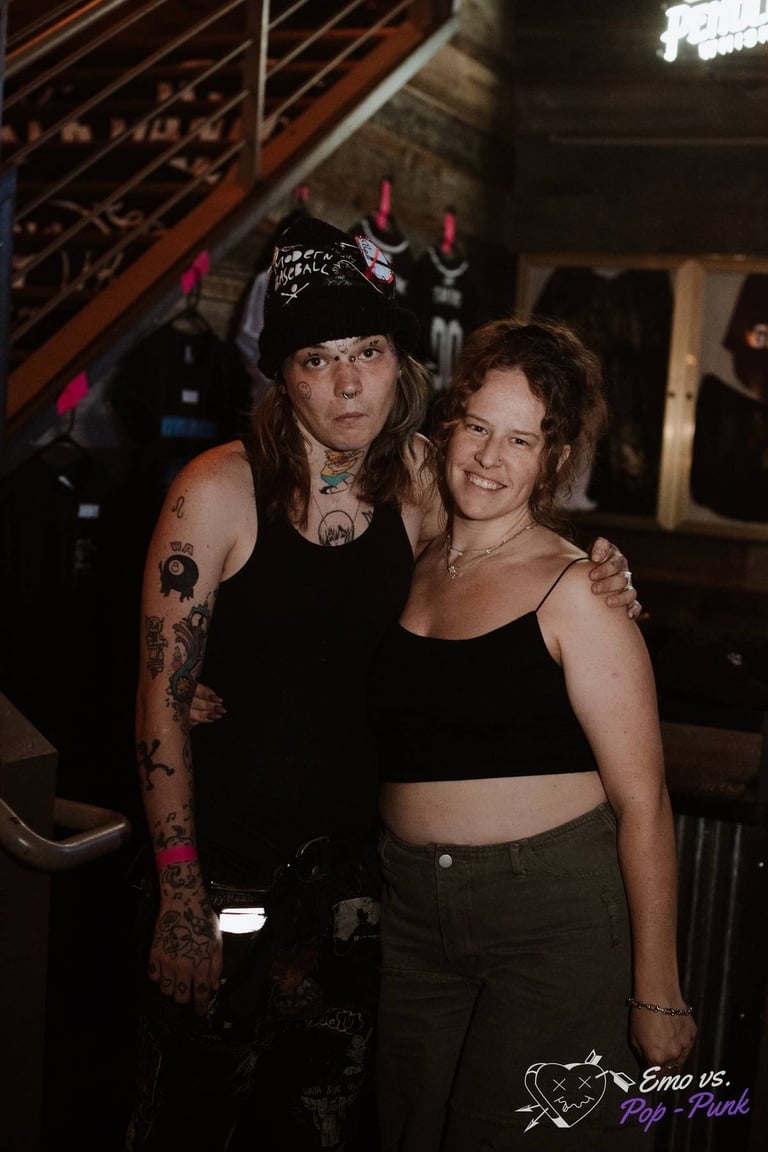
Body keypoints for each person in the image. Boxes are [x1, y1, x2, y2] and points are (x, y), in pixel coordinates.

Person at [124, 217, 640, 1151]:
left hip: (366, 895)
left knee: (324, 1133)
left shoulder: (420, 480)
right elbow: (160, 694)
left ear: (399, 360)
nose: (349, 382)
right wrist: (179, 896)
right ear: (282, 374)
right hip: (227, 876)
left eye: (366, 351)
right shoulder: (217, 489)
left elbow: (509, 543)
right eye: (317, 359)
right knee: (187, 1125)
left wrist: (602, 572)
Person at [366, 318, 697, 1151]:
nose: (489, 457)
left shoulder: (580, 589)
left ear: (553, 460)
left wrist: (657, 988)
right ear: (449, 427)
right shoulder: (411, 557)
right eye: (477, 427)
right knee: (406, 1131)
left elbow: (644, 801)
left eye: (521, 440)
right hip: (411, 912)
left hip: (553, 919)